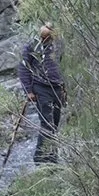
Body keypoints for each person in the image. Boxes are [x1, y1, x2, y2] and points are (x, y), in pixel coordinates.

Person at [17, 22, 67, 164]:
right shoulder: (32, 45)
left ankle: (51, 156)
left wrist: (64, 88)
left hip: (56, 88)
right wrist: (29, 90)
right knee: (47, 123)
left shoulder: (58, 45)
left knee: (54, 123)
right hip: (41, 87)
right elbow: (23, 68)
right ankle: (40, 159)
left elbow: (63, 66)